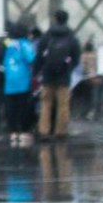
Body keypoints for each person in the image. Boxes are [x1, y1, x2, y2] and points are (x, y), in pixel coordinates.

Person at [34, 10, 78, 142]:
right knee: (63, 105)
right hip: (64, 76)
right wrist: (69, 69)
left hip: (48, 75)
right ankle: (61, 132)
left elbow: (39, 56)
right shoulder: (71, 37)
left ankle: (44, 131)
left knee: (46, 104)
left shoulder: (47, 35)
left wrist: (37, 71)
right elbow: (76, 56)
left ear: (54, 18)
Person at [1, 25, 36, 148]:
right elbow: (31, 59)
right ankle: (23, 132)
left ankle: (13, 132)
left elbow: (3, 59)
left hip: (9, 80)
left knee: (11, 108)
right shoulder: (25, 44)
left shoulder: (9, 43)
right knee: (23, 107)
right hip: (22, 79)